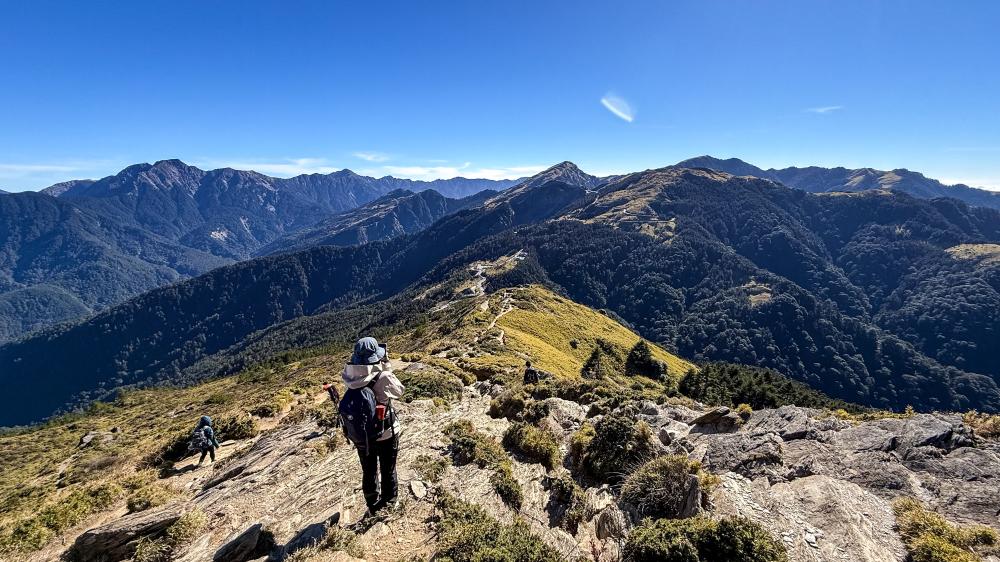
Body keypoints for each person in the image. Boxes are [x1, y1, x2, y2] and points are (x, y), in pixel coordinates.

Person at [339, 337, 405, 514]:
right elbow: (399, 391)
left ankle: (372, 506)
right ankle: (390, 503)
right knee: (387, 468)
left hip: (363, 436)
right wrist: (387, 367)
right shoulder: (382, 376)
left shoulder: (349, 376)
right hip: (386, 431)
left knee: (368, 470)